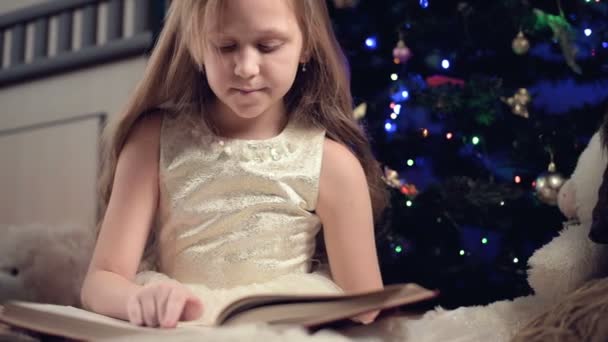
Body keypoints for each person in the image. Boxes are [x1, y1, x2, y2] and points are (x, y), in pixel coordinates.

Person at [80, 0, 388, 329]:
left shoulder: (333, 164)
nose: (246, 67)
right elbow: (100, 281)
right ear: (196, 46)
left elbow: (365, 305)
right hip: (180, 330)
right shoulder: (152, 140)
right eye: (225, 46)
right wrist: (138, 300)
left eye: (267, 46)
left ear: (307, 45)